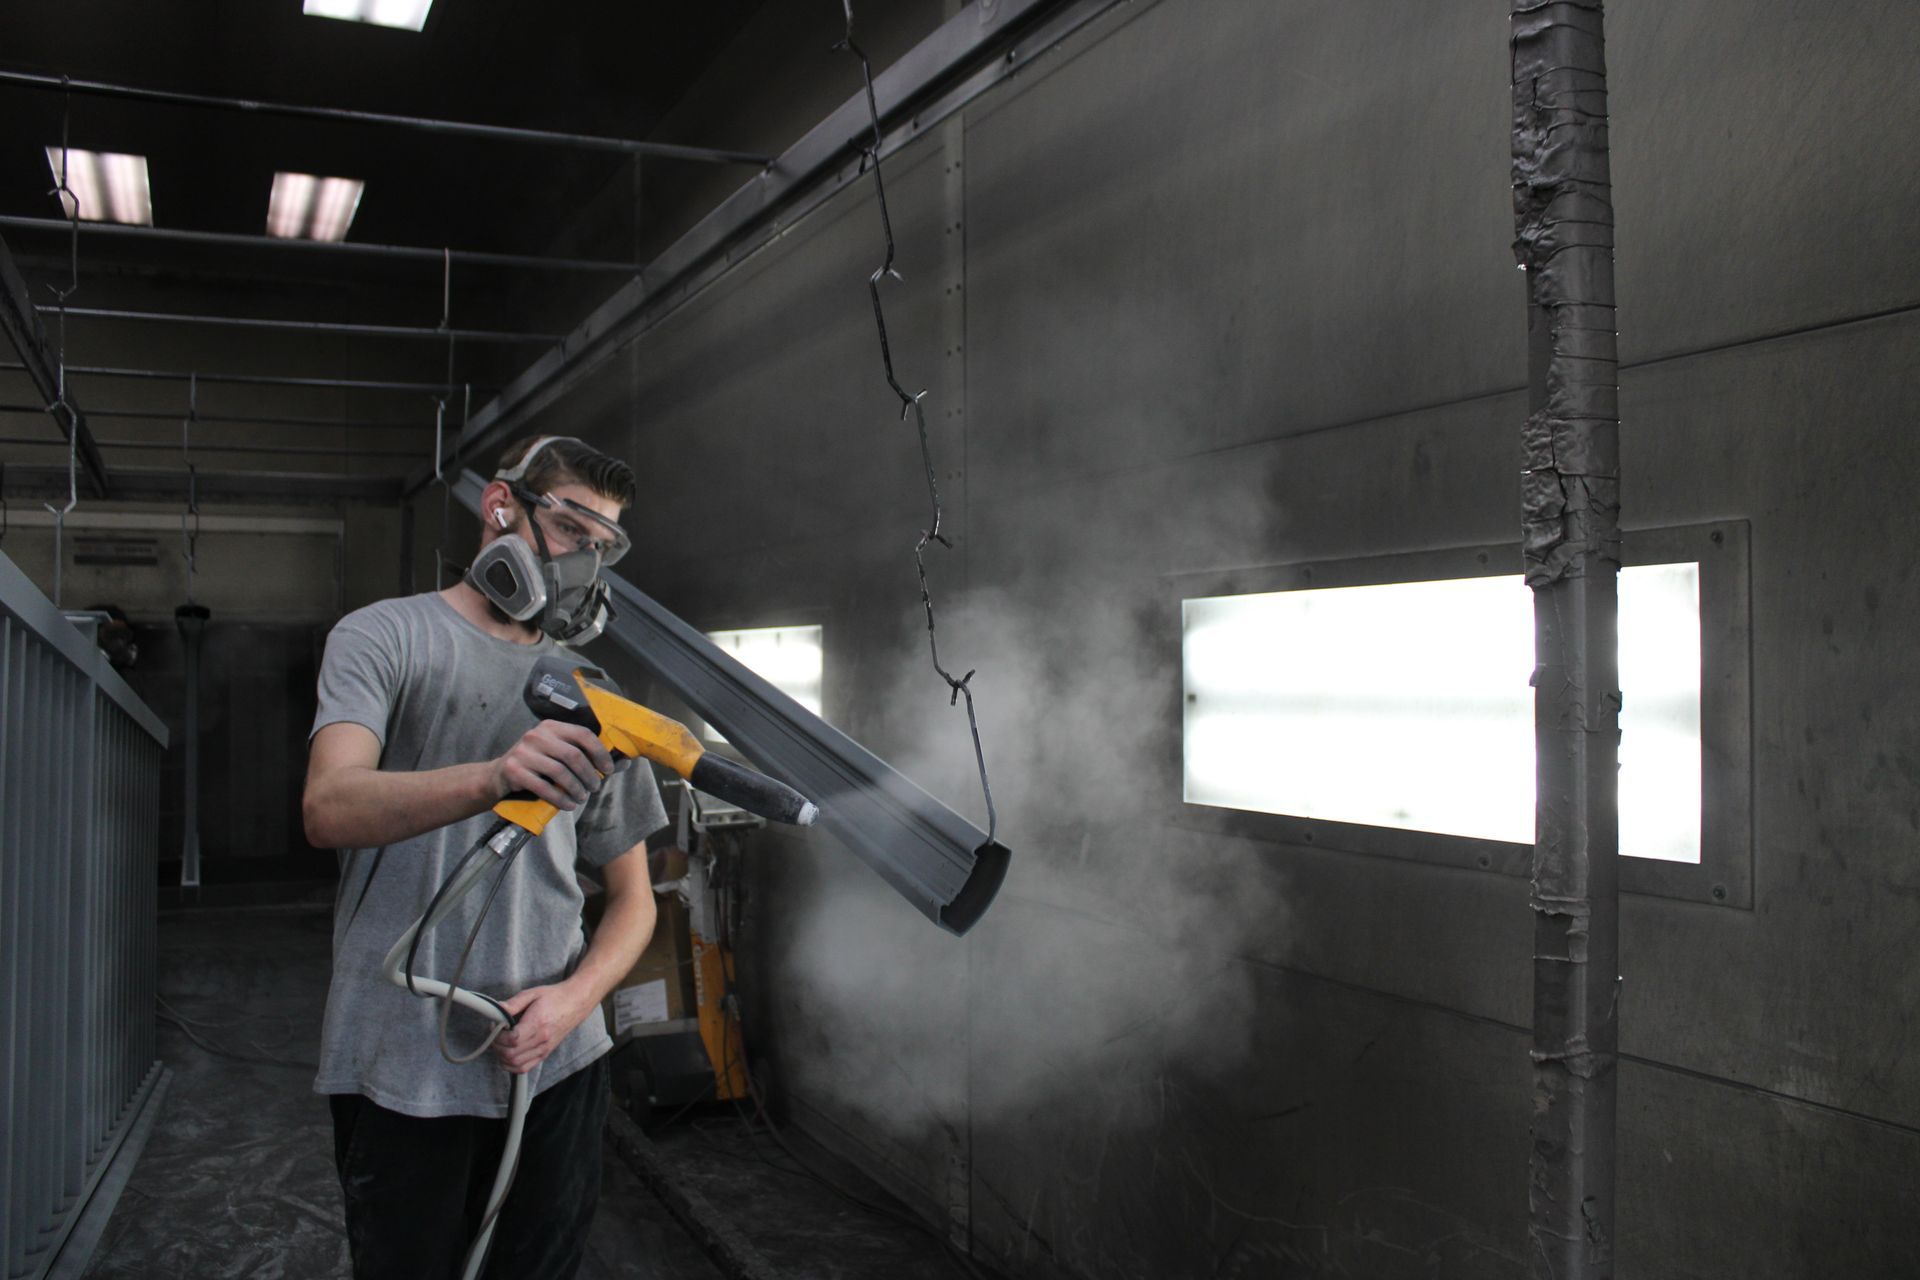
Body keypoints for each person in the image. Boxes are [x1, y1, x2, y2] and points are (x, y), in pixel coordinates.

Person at [303, 434, 665, 1279]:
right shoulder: (384, 636)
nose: (583, 563)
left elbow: (635, 900)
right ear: (501, 507)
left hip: (554, 1062)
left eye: (602, 546)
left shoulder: (594, 692)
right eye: (571, 529)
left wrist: (573, 1002)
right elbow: (328, 806)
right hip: (399, 1056)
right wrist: (496, 776)